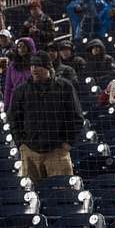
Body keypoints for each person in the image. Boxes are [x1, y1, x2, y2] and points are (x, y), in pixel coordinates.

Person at [8, 51, 84, 182]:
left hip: (57, 151)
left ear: (48, 67)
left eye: (38, 66)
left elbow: (76, 118)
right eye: (31, 66)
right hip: (30, 151)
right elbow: (13, 119)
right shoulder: (21, 90)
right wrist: (21, 144)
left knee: (62, 193)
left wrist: (67, 143)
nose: (34, 69)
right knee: (31, 195)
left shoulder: (64, 87)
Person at [5, 37, 36, 109]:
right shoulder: (13, 66)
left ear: (29, 47)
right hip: (15, 102)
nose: (21, 49)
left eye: (23, 46)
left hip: (31, 102)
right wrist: (6, 105)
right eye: (19, 47)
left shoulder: (35, 64)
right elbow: (8, 86)